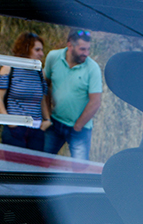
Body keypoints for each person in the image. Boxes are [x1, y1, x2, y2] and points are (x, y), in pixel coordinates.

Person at [42, 30, 103, 160]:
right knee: (42, 160)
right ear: (70, 46)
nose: (86, 53)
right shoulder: (53, 57)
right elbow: (44, 86)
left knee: (80, 169)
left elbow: (95, 101)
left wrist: (78, 126)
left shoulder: (93, 68)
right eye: (82, 49)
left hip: (80, 129)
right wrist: (47, 115)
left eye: (88, 49)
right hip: (55, 122)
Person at [0, 32, 51, 151]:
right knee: (14, 166)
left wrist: (47, 120)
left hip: (36, 129)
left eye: (42, 50)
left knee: (34, 168)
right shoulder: (9, 68)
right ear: (26, 49)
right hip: (15, 128)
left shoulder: (40, 72)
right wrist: (9, 122)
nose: (41, 54)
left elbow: (42, 99)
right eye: (37, 50)